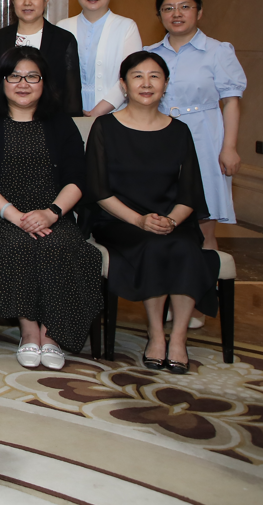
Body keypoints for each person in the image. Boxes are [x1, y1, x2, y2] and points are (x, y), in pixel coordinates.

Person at [0, 48, 102, 370]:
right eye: (14, 76)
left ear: (44, 82)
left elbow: (77, 178)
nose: (23, 84)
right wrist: (16, 217)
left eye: (32, 76)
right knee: (18, 245)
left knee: (60, 245)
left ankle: (52, 335)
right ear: (2, 81)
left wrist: (51, 213)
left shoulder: (61, 124)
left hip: (54, 215)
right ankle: (29, 331)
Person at [87, 51, 217, 375]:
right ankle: (156, 334)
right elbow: (99, 190)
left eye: (154, 76)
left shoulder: (179, 131)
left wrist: (171, 220)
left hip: (171, 219)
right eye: (137, 76)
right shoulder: (105, 127)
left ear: (166, 84)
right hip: (119, 220)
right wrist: (139, 220)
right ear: (123, 84)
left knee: (186, 248)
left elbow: (189, 192)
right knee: (154, 245)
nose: (146, 84)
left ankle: (179, 338)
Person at [146, 0, 246, 253]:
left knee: (203, 222)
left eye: (185, 7)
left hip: (204, 138)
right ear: (159, 15)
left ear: (199, 12)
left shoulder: (218, 51)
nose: (176, 13)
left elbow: (231, 102)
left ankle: (206, 277)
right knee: (160, 215)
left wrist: (229, 147)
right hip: (160, 136)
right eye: (168, 8)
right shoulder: (150, 54)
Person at [56, 0, 142, 118]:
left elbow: (132, 74)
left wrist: (98, 112)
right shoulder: (62, 27)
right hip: (68, 115)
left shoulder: (126, 27)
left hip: (115, 114)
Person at [0, 0, 81, 115]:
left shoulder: (63, 39)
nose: (27, 2)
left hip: (52, 120)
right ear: (12, 0)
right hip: (5, 119)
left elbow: (71, 94)